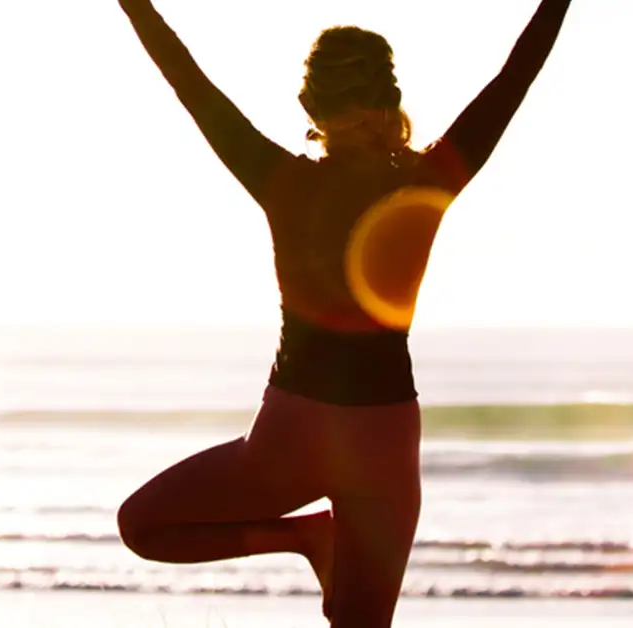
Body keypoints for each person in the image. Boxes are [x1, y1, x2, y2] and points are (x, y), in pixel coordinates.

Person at [114, 1, 572, 625]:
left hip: (290, 436)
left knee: (144, 525)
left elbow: (186, 78)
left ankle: (305, 537)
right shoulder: (426, 181)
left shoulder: (280, 180)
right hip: (382, 441)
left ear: (312, 111)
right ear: (389, 102)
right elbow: (514, 78)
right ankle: (311, 539)